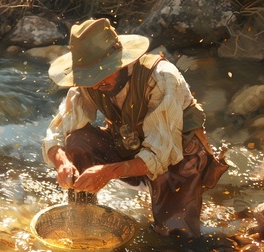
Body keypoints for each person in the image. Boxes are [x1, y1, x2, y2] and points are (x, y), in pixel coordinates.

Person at [42, 18, 227, 239]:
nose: (93, 84)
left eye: (100, 74)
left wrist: (109, 172)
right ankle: (83, 218)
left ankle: (181, 243)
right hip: (128, 152)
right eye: (88, 77)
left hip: (174, 161)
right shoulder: (88, 84)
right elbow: (58, 132)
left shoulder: (161, 77)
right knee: (77, 141)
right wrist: (61, 161)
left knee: (177, 238)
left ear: (119, 62)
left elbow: (161, 155)